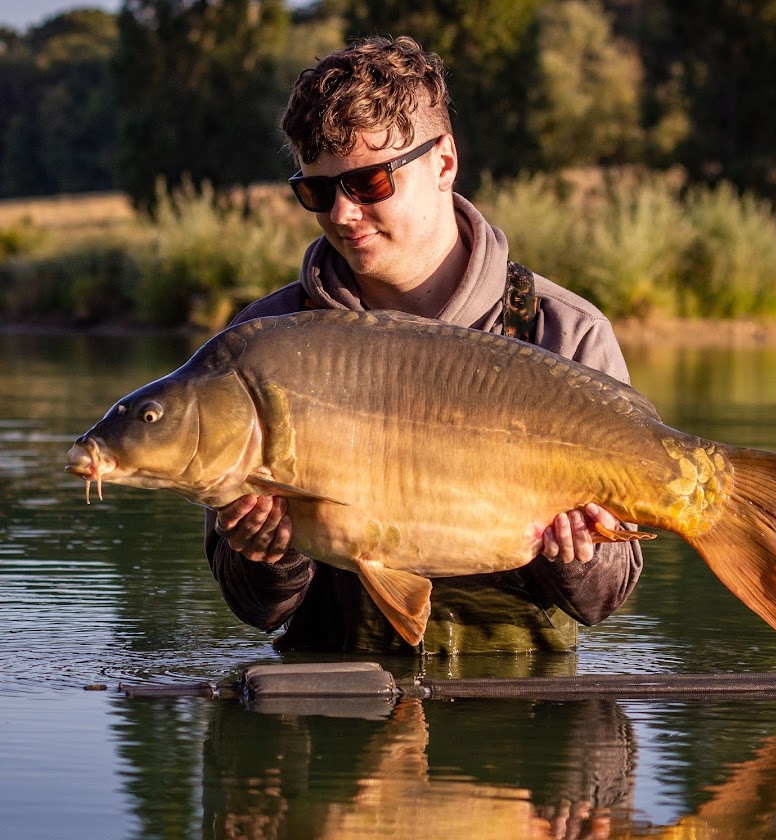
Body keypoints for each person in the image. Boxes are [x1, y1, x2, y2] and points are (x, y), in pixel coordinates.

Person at [205, 35, 642, 654]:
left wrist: (575, 556)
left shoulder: (564, 332)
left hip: (526, 721)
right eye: (318, 192)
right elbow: (257, 611)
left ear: (443, 163)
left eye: (370, 182)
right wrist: (270, 555)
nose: (344, 214)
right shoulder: (260, 348)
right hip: (328, 717)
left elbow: (604, 600)